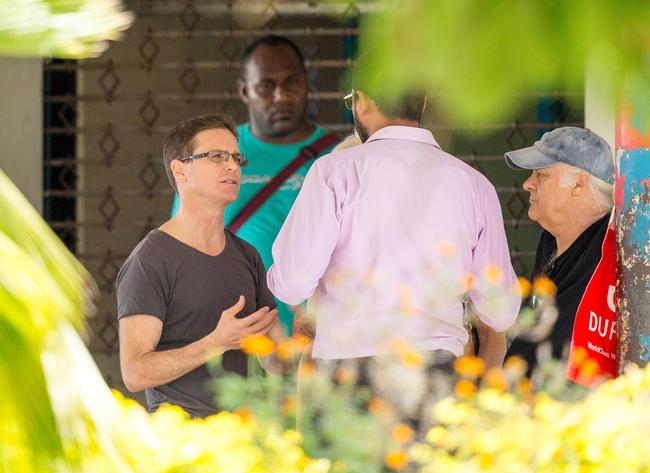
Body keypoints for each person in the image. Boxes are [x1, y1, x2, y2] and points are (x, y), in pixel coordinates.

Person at [266, 58, 521, 366]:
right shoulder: (474, 184)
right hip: (437, 369)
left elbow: (293, 284)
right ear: (423, 102)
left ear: (362, 101)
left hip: (348, 368)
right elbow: (500, 310)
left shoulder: (335, 172)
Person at [170, 35, 338, 335]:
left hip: (323, 342)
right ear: (245, 91)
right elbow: (181, 254)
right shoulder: (212, 155)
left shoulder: (338, 158)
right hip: (234, 340)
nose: (281, 96)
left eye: (291, 83)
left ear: (307, 83)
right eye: (266, 86)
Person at [117, 113, 283, 418]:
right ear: (180, 170)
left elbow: (275, 362)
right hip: (182, 443)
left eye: (236, 157)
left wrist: (298, 345)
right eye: (217, 156)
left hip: (245, 440)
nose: (232, 165)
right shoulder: (149, 260)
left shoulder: (248, 256)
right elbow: (135, 373)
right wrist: (215, 342)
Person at [504, 126, 615, 374]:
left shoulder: (615, 251)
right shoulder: (551, 242)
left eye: (540, 175)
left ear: (579, 183)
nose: (527, 184)